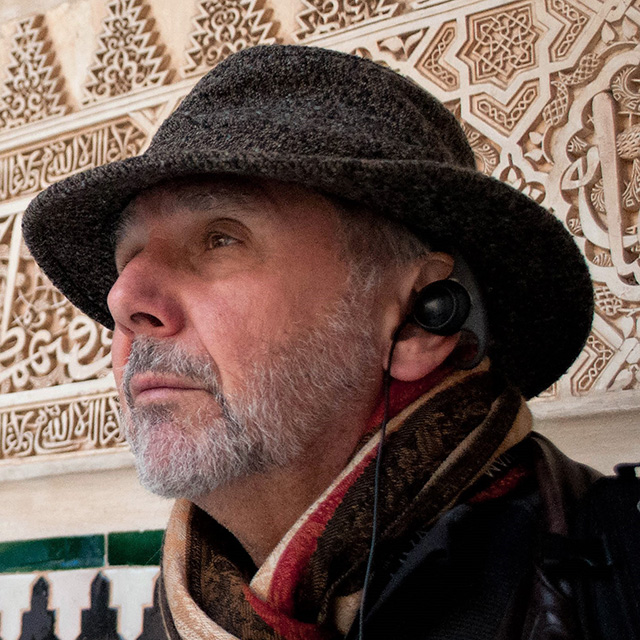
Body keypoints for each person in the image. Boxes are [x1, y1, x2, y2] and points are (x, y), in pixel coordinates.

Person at [23, 45, 598, 639]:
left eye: (220, 238)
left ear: (416, 322)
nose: (123, 298)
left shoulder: (614, 582)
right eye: (128, 258)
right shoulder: (194, 612)